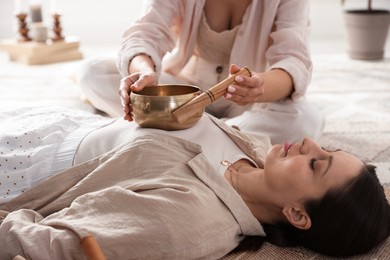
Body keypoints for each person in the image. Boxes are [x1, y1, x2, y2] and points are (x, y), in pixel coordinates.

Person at [0, 106, 389, 259]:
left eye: (316, 164)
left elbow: (41, 245)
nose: (308, 145)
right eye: (327, 149)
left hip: (26, 165)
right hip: (61, 121)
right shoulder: (256, 151)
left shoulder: (188, 221)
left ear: (297, 214)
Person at [78, 0, 325, 145]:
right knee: (93, 72)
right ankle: (217, 139)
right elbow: (145, 33)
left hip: (248, 102)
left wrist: (260, 86)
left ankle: (175, 133)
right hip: (184, 92)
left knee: (305, 120)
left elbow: (294, 60)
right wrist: (145, 72)